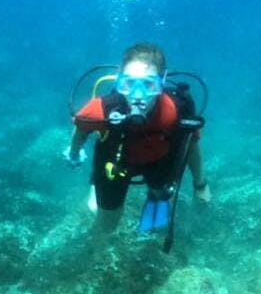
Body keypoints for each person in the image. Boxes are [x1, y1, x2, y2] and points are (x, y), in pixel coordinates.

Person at [64, 42, 210, 241]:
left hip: (158, 160)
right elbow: (81, 129)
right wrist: (74, 152)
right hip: (114, 162)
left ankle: (155, 201)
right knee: (107, 223)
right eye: (129, 84)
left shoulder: (177, 110)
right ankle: (95, 190)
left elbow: (191, 146)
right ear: (119, 82)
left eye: (149, 85)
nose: (138, 96)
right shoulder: (100, 110)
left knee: (160, 192)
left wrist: (200, 185)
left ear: (162, 82)